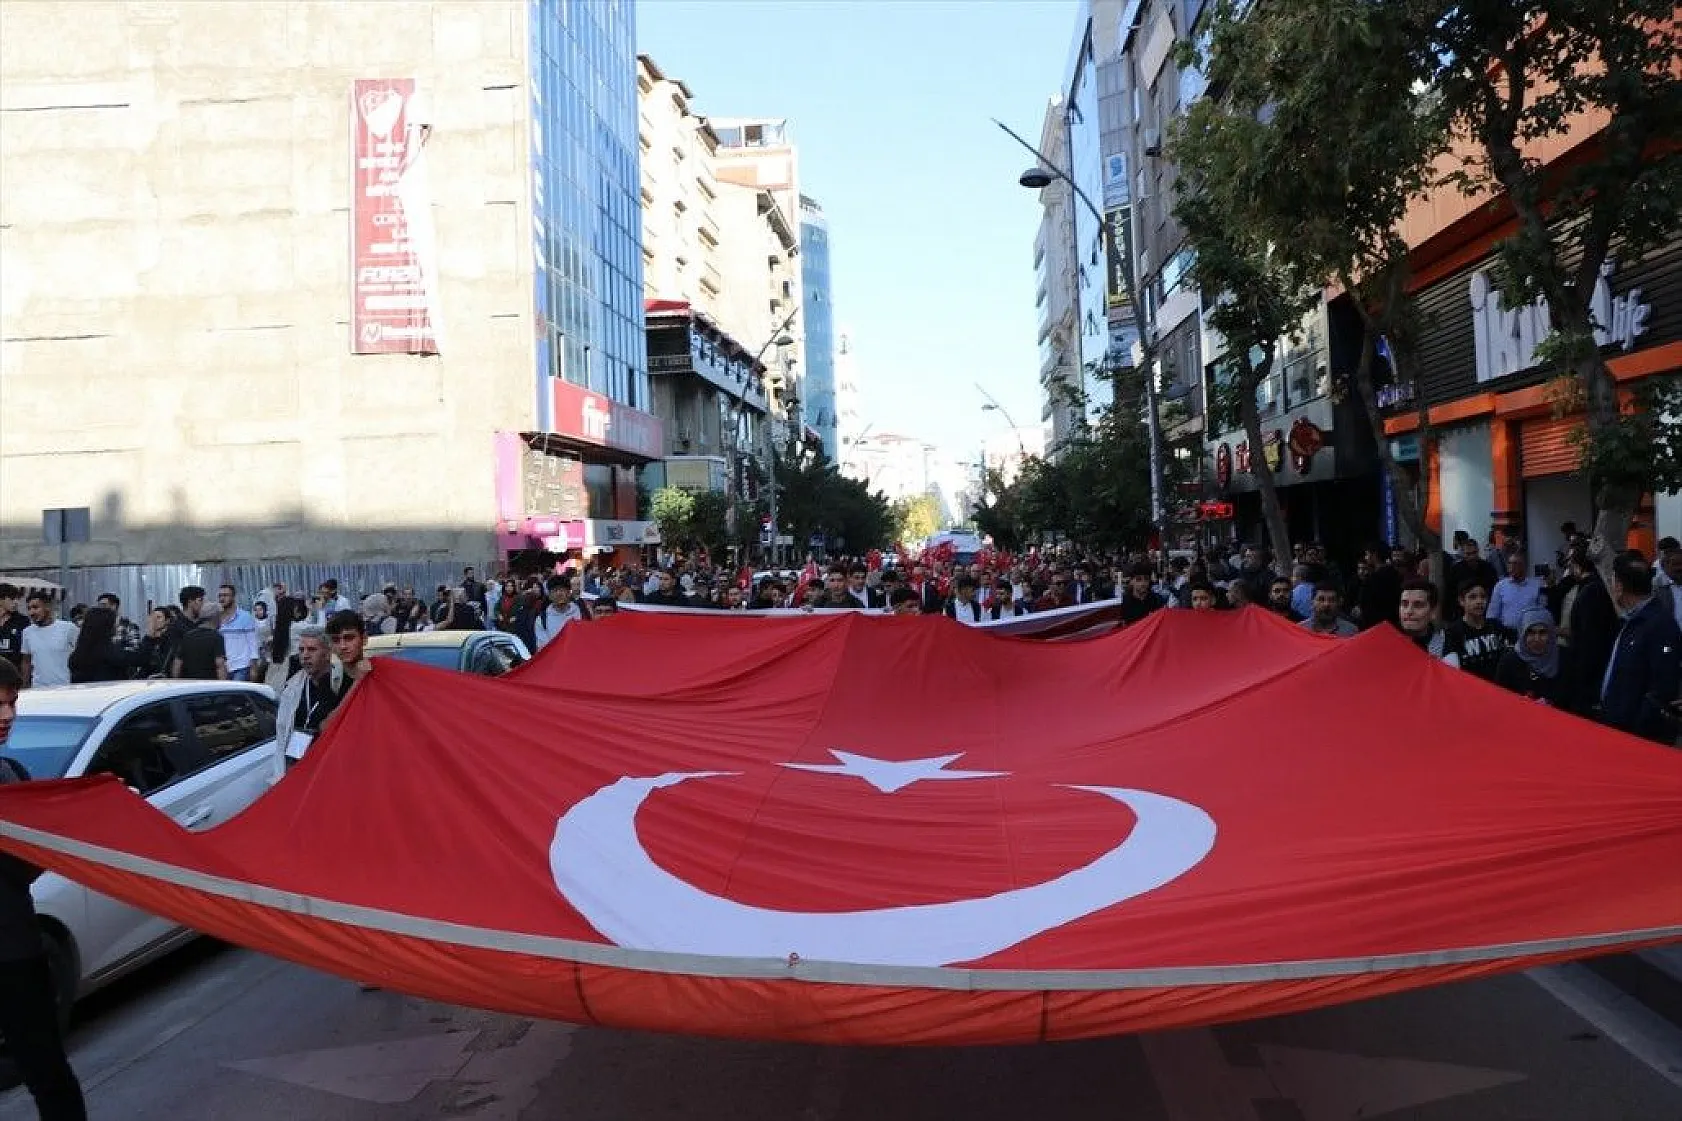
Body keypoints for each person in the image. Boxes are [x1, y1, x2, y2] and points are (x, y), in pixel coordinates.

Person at [0, 658, 90, 1120]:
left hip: (17, 952)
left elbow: (32, 860)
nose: (7, 715)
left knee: (47, 1070)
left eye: (12, 702)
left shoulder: (13, 773)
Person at [1598, 551, 1682, 743]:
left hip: (1636, 736)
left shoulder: (1659, 625)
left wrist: (1637, 728)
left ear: (1618, 586)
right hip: (1616, 727)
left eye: (1612, 582)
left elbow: (1662, 688)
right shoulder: (1631, 621)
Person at [1494, 606, 1568, 707]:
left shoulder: (1565, 658)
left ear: (1551, 634)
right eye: (1531, 632)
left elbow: (1576, 699)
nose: (1536, 639)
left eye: (1542, 632)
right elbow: (1499, 700)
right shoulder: (1509, 662)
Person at [19, 593, 78, 689]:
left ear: (48, 607)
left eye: (35, 607)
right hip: (38, 689)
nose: (31, 612)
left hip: (65, 688)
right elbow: (26, 661)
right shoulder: (27, 632)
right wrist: (24, 686)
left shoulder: (68, 628)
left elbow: (80, 654)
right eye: (29, 609)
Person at [66, 605, 133, 683]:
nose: (117, 626)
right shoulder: (111, 653)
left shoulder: (76, 656)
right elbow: (137, 658)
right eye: (114, 623)